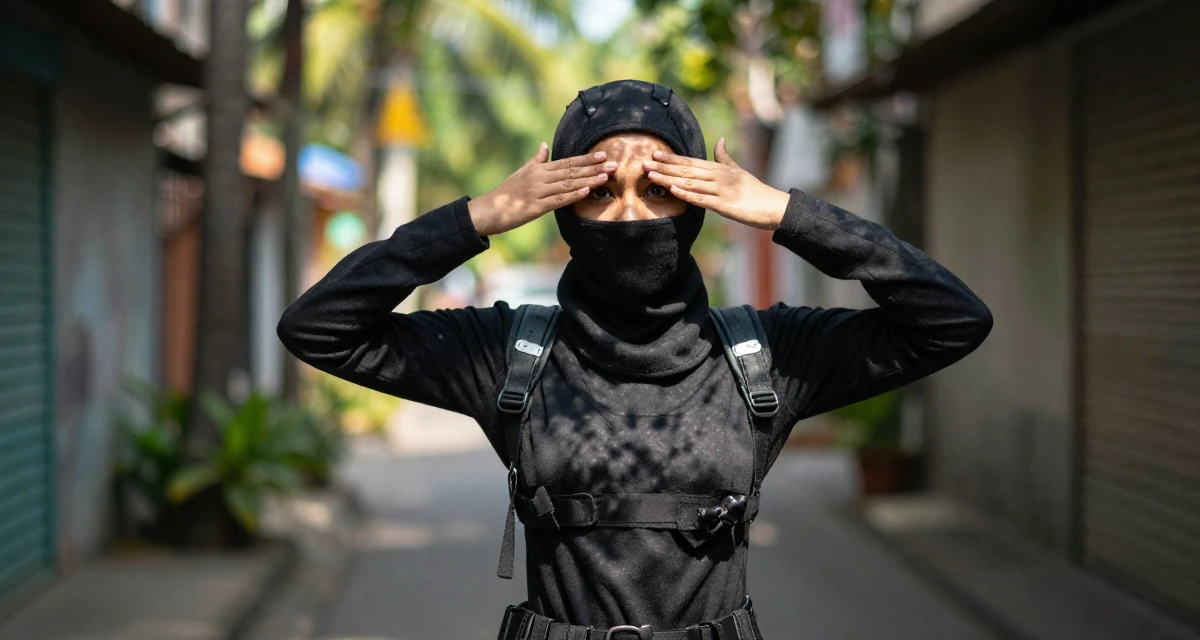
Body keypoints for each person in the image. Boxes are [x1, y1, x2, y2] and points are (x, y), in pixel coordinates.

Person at [277, 79, 992, 640]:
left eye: (657, 190)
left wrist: (787, 213)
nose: (629, 217)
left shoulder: (763, 356)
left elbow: (952, 320)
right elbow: (319, 327)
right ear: (560, 207)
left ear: (696, 201)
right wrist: (475, 218)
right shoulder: (510, 356)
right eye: (598, 192)